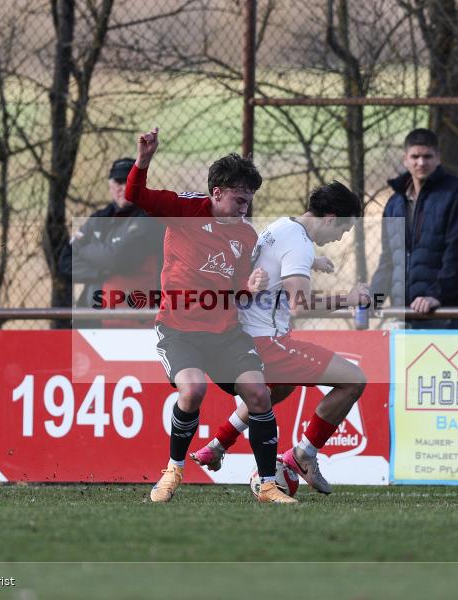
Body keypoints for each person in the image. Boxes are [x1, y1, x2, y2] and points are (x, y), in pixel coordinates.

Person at [125, 127, 296, 504]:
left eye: (248, 201)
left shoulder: (247, 236)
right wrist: (144, 160)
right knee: (192, 390)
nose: (244, 208)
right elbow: (135, 195)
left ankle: (268, 484)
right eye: (238, 200)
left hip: (224, 332)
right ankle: (172, 470)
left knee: (258, 394)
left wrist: (251, 285)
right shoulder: (185, 209)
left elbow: (237, 287)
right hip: (179, 330)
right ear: (216, 194)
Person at [189, 182, 369, 494]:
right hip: (267, 342)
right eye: (342, 230)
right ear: (329, 218)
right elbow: (300, 303)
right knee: (354, 380)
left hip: (244, 335)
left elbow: (269, 261)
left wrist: (314, 262)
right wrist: (349, 299)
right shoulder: (300, 245)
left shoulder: (283, 226)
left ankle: (218, 444)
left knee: (279, 388)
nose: (339, 238)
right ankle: (303, 454)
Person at [370, 128, 458, 328]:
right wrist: (373, 299)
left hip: (441, 311)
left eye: (428, 156)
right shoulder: (395, 203)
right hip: (402, 312)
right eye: (415, 156)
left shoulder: (457, 192)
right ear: (405, 159)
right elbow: (389, 259)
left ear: (438, 158)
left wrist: (437, 296)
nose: (421, 162)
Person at [59, 157, 164, 328]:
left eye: (129, 181)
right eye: (119, 182)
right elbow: (65, 263)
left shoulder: (150, 218)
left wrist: (83, 248)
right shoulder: (98, 218)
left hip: (136, 318)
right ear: (110, 185)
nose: (123, 187)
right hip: (91, 318)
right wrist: (103, 271)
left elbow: (118, 259)